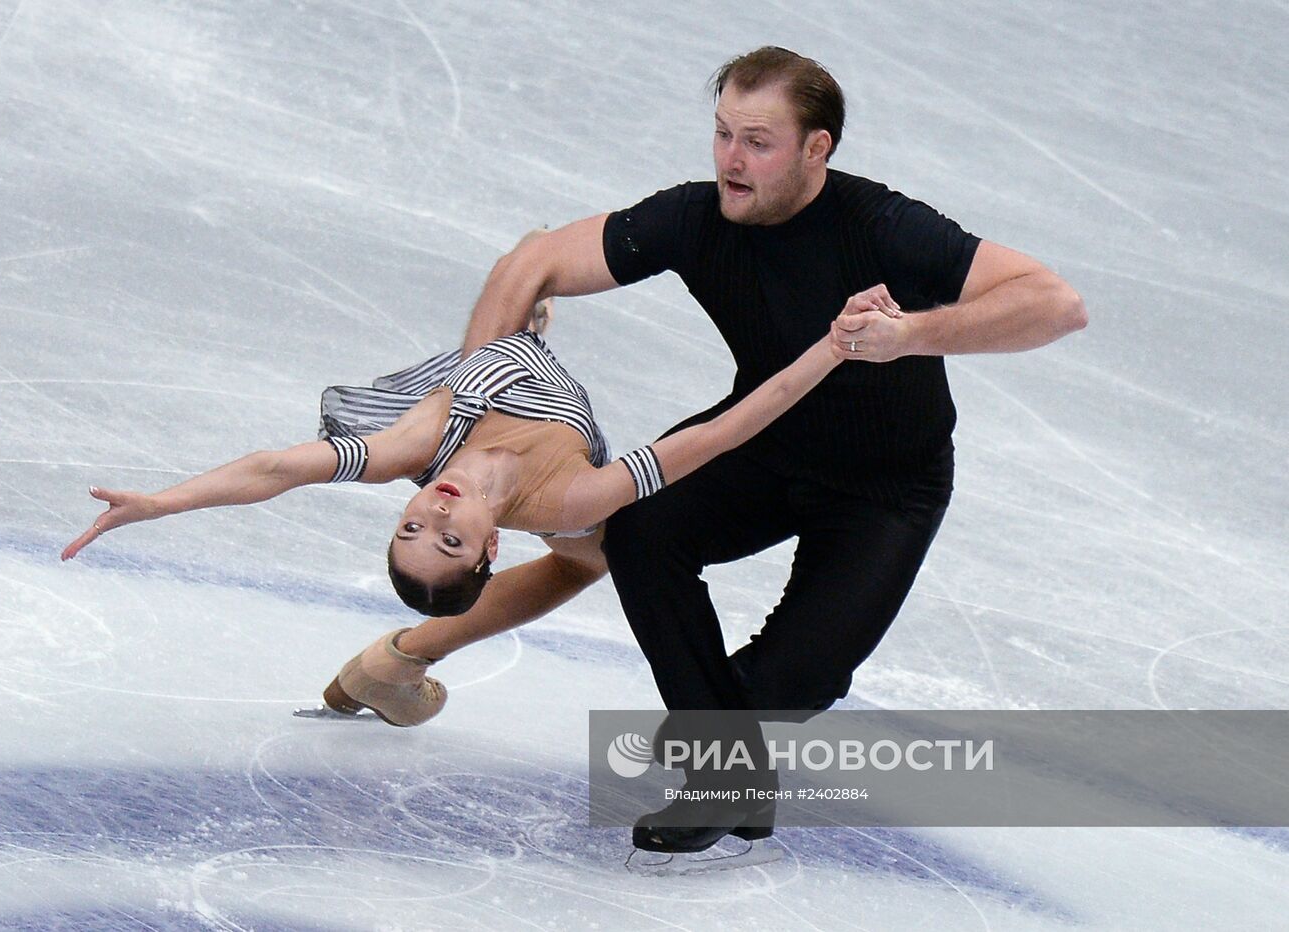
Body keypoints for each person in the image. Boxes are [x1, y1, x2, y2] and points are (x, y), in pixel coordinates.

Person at [454, 47, 1087, 853]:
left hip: (887, 487)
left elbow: (1055, 304)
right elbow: (533, 261)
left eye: (757, 140)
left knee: (794, 686)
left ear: (816, 149)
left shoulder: (883, 225)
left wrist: (912, 335)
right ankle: (725, 775)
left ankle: (728, 753)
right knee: (641, 527)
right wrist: (471, 421)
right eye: (722, 134)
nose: (730, 160)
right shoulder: (694, 217)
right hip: (761, 441)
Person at [61, 254, 865, 727]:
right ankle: (401, 659)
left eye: (411, 528)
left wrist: (161, 503)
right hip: (541, 417)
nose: (433, 512)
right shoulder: (572, 500)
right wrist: (830, 350)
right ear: (491, 544)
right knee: (600, 559)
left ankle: (399, 660)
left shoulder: (414, 447)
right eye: (449, 538)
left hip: (487, 358)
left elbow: (276, 469)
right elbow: (718, 436)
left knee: (523, 272)